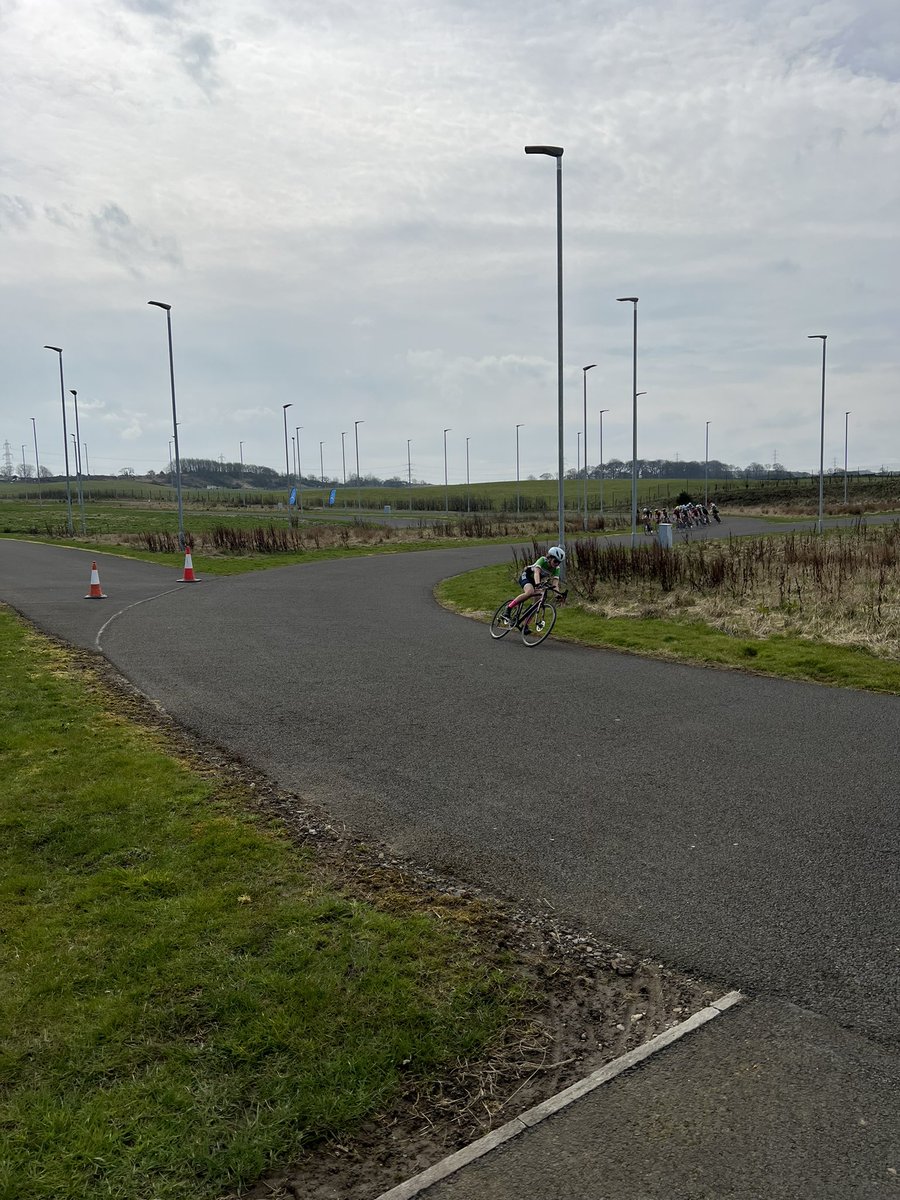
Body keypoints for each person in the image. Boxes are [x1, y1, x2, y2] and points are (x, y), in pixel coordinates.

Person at [506, 546, 566, 627]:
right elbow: (536, 573)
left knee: (538, 602)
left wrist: (558, 595)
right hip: (527, 576)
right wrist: (538, 584)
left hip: (536, 581)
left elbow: (555, 584)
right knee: (529, 592)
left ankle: (525, 625)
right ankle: (508, 608)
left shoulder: (556, 569)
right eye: (555, 561)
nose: (556, 564)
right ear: (550, 558)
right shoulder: (542, 560)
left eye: (559, 562)